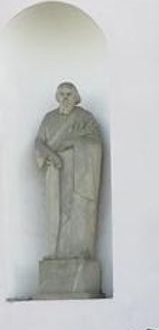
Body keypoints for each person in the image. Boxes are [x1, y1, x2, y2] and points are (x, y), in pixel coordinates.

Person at [34, 81, 103, 259]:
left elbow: (95, 142)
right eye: (62, 94)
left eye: (69, 94)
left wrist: (73, 142)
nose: (65, 98)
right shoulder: (48, 119)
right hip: (55, 172)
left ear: (76, 97)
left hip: (79, 171)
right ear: (57, 97)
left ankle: (79, 252)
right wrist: (51, 155)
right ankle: (56, 253)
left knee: (77, 209)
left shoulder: (85, 117)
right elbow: (38, 143)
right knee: (56, 211)